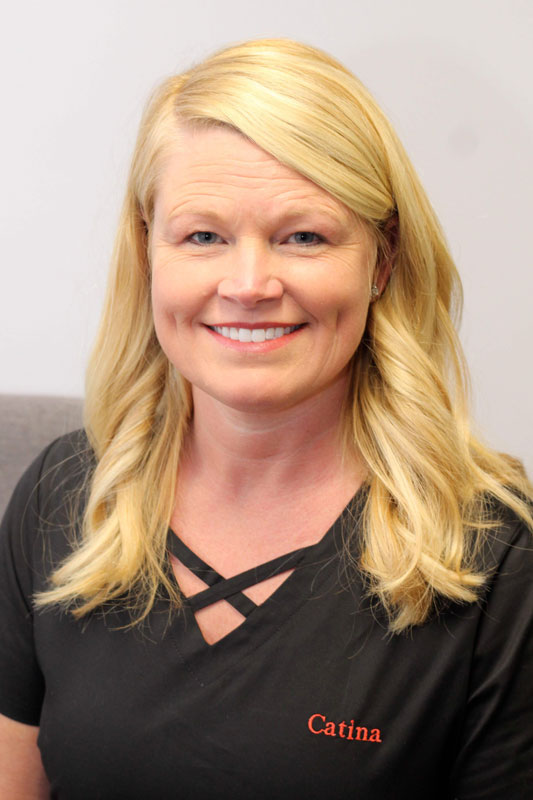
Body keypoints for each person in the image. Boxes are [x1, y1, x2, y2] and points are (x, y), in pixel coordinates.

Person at [0, 38, 532, 800]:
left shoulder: (491, 550)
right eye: (203, 236)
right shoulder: (61, 495)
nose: (248, 284)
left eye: (304, 236)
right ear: (149, 252)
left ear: (381, 262)